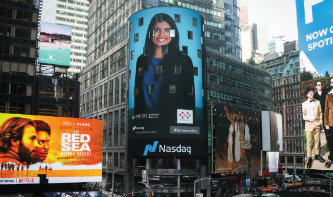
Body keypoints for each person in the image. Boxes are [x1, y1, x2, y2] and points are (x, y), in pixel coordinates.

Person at [134, 13, 195, 132]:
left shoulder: (184, 60)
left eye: (167, 30)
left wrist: (188, 129)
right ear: (150, 33)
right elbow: (138, 97)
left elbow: (189, 98)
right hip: (146, 126)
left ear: (173, 33)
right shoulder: (141, 60)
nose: (161, 34)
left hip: (172, 124)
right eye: (156, 30)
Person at [302, 87, 325, 168]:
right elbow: (303, 115)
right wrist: (310, 118)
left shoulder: (317, 102)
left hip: (317, 124)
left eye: (312, 92)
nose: (311, 93)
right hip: (308, 125)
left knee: (317, 141)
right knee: (309, 142)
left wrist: (320, 122)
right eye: (309, 92)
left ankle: (317, 155)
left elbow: (320, 113)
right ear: (307, 95)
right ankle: (309, 158)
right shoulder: (304, 104)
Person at [324, 78, 333, 168]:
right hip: (331, 123)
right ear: (331, 84)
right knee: (331, 142)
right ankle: (331, 158)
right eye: (332, 82)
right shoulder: (328, 96)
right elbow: (326, 111)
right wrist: (326, 123)